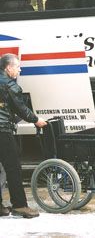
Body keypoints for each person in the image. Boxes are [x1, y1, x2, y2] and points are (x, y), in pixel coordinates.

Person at [0, 53, 47, 218]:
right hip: (2, 131)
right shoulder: (10, 85)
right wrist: (36, 120)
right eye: (17, 67)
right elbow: (21, 108)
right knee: (13, 168)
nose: (20, 70)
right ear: (8, 68)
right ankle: (20, 205)